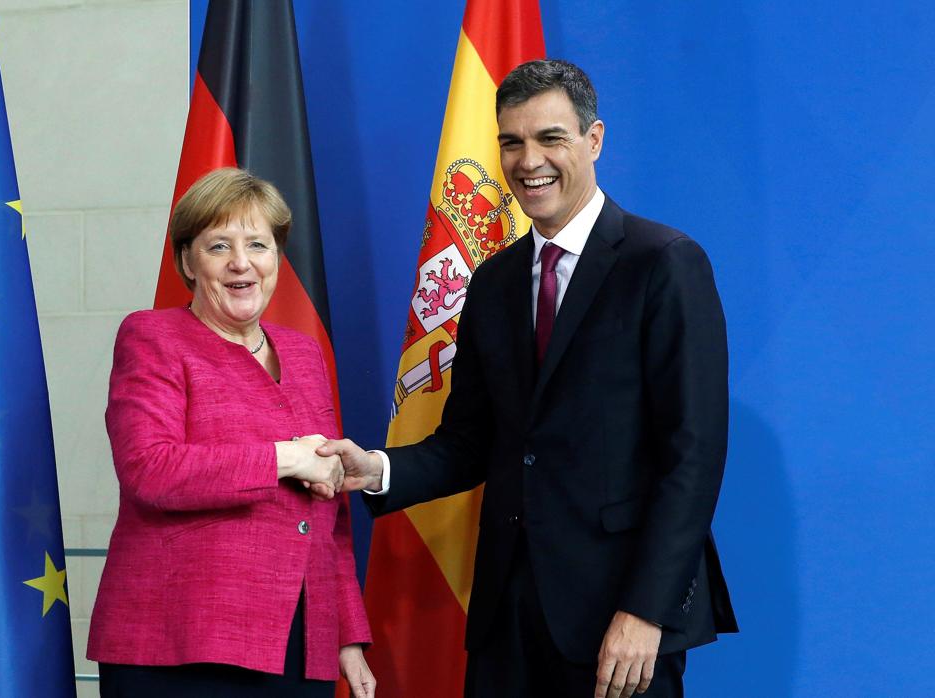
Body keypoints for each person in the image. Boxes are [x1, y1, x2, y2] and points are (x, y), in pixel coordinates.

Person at [323, 59, 737, 698]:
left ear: (593, 140)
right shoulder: (492, 281)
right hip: (506, 616)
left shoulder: (664, 264)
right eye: (511, 142)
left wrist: (646, 610)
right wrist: (376, 470)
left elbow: (694, 455)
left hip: (617, 620)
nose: (528, 160)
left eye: (550, 138)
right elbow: (470, 441)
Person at [86, 167, 375, 697]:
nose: (241, 263)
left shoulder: (305, 355)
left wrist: (346, 635)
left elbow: (329, 509)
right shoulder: (152, 337)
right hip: (177, 641)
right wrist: (286, 458)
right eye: (219, 245)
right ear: (187, 261)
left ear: (277, 259)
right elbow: (150, 470)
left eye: (258, 245)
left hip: (298, 635)